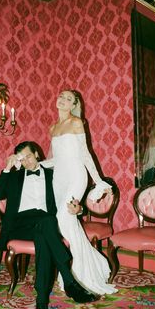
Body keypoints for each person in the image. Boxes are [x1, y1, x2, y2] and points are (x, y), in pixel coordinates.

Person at [0, 141, 99, 309]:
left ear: (37, 155)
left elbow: (70, 198)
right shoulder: (14, 177)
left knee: (45, 230)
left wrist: (78, 209)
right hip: (20, 224)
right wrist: (7, 168)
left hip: (44, 223)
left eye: (29, 156)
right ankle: (69, 281)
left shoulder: (53, 176)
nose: (26, 162)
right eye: (22, 159)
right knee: (47, 225)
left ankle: (41, 303)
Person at [41, 89, 118, 295]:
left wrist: (99, 180)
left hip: (76, 175)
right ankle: (86, 266)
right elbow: (53, 159)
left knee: (65, 219)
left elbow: (85, 154)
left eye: (68, 98)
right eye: (61, 96)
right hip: (59, 177)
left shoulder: (76, 122)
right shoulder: (53, 127)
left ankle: (82, 273)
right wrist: (30, 164)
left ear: (74, 104)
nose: (63, 100)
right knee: (64, 223)